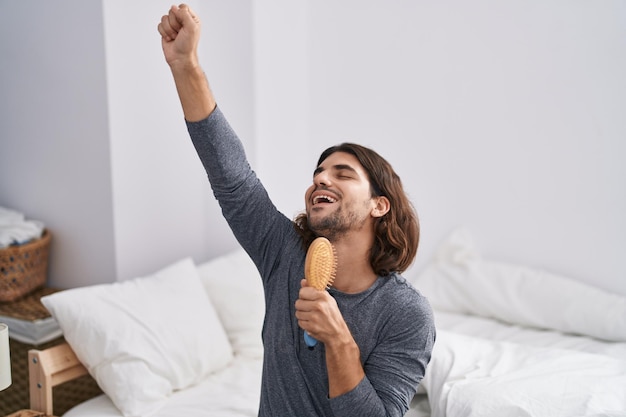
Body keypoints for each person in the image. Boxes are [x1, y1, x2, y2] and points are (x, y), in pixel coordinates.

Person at [158, 5, 435, 416]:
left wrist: (338, 340)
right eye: (318, 173)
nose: (321, 179)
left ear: (380, 204)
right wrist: (185, 65)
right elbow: (231, 176)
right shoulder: (285, 254)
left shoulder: (407, 314)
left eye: (343, 174)